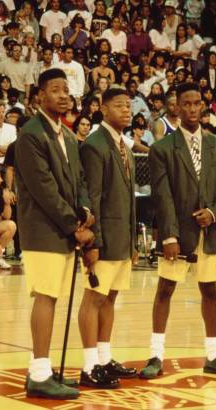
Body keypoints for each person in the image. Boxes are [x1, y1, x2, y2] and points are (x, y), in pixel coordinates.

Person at [140, 82, 216, 379]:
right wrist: (169, 236)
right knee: (165, 290)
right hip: (177, 233)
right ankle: (156, 355)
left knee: (210, 290)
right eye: (186, 103)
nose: (193, 108)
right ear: (176, 107)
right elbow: (162, 195)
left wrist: (214, 213)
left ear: (204, 105)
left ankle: (214, 354)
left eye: (197, 103)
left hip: (209, 233)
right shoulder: (161, 149)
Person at [16, 68, 94, 399]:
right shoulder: (31, 135)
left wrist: (86, 214)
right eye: (56, 90)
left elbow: (79, 182)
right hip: (43, 229)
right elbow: (44, 188)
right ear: (39, 97)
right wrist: (73, 225)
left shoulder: (67, 135)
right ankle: (38, 374)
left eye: (67, 89)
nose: (64, 95)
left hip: (64, 229)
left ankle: (46, 371)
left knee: (54, 296)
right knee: (45, 296)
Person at [79, 88, 137, 388]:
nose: (126, 110)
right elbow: (94, 199)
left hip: (122, 239)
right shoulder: (94, 145)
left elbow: (127, 199)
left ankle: (103, 357)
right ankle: (89, 366)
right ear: (103, 109)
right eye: (119, 106)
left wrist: (133, 242)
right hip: (103, 239)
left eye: (128, 106)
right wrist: (93, 242)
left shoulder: (123, 144)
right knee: (94, 298)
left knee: (110, 298)